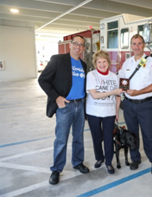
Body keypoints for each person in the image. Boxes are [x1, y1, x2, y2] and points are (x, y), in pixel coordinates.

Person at [38, 35, 89, 185]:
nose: (78, 47)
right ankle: (56, 169)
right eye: (75, 44)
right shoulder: (58, 60)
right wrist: (57, 97)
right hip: (65, 106)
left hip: (80, 105)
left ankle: (77, 162)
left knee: (78, 137)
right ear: (70, 45)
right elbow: (43, 80)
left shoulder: (84, 65)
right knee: (61, 139)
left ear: (83, 48)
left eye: (81, 45)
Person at [117, 34, 152, 175]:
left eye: (140, 43)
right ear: (131, 46)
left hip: (145, 105)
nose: (137, 46)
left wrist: (139, 92)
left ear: (144, 45)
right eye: (134, 44)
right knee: (132, 134)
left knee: (149, 134)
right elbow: (122, 81)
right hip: (129, 105)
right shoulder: (127, 63)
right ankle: (135, 159)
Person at [86, 50, 123, 174]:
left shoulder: (114, 76)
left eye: (104, 61)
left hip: (109, 112)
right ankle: (99, 158)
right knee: (96, 137)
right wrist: (112, 92)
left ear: (108, 62)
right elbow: (94, 95)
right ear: (95, 63)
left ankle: (108, 162)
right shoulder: (91, 75)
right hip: (93, 112)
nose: (102, 64)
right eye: (99, 62)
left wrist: (116, 111)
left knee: (108, 138)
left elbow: (118, 96)